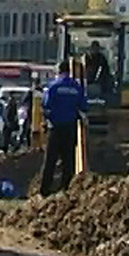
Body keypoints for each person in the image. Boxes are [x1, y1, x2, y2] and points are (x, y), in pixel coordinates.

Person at [40, 59, 88, 196]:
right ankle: (66, 188)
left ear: (59, 71)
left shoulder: (53, 87)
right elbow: (83, 106)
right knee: (69, 160)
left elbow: (46, 106)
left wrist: (49, 119)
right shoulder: (76, 87)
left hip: (55, 128)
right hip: (70, 128)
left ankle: (44, 190)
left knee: (50, 160)